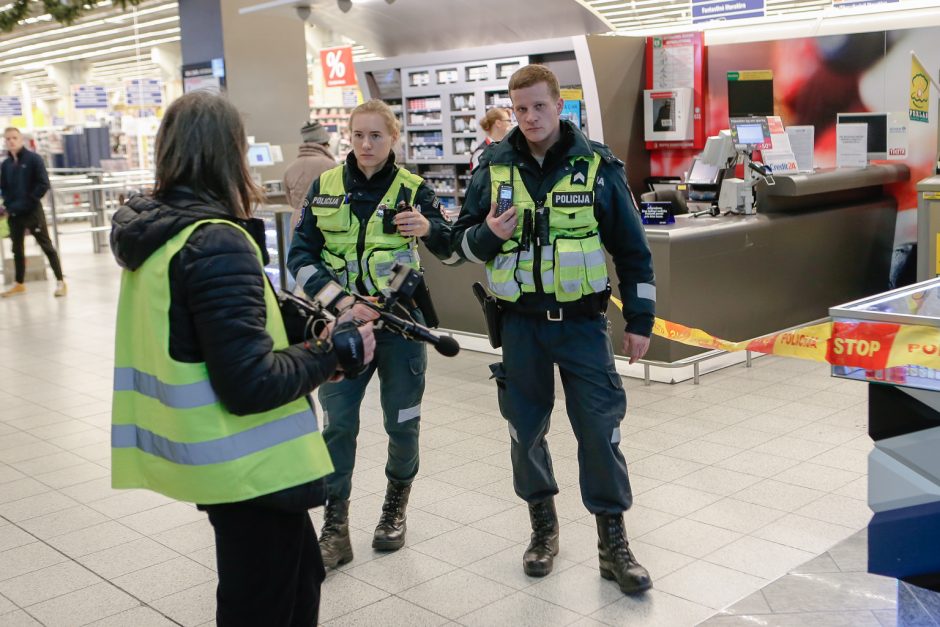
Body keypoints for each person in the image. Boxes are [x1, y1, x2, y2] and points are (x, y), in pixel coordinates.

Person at [109, 91, 377, 626]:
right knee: (263, 603)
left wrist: (296, 327)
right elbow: (249, 381)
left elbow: (203, 332)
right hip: (250, 468)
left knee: (300, 576)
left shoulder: (161, 235)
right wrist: (330, 354)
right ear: (226, 154)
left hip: (217, 462)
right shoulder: (216, 241)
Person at [451, 65, 655, 595]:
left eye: (539, 106)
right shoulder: (491, 168)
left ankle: (613, 543)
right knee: (525, 431)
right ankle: (543, 528)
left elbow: (632, 251)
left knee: (600, 433)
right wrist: (489, 236)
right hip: (519, 328)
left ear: (559, 105)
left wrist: (639, 320)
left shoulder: (597, 167)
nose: (530, 118)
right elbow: (456, 247)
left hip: (583, 327)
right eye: (520, 109)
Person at [287, 99, 454, 569]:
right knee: (337, 425)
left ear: (393, 138)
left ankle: (394, 510)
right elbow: (298, 256)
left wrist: (427, 227)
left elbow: (450, 243)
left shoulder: (414, 190)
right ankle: (335, 528)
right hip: (343, 331)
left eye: (375, 136)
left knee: (402, 423)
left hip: (401, 327)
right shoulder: (325, 186)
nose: (365, 144)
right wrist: (342, 303)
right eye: (358, 135)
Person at [0, 127, 66, 297]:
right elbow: (4, 187)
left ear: (21, 139)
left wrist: (29, 200)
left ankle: (60, 281)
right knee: (17, 249)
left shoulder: (34, 159)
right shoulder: (6, 164)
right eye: (8, 139)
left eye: (14, 138)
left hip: (32, 213)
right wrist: (6, 206)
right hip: (14, 214)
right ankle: (19, 283)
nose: (11, 141)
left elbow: (43, 184)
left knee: (47, 246)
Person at [283, 121, 336, 230]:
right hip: (323, 223)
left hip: (297, 222)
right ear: (324, 143)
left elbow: (290, 201)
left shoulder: (290, 169)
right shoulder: (331, 166)